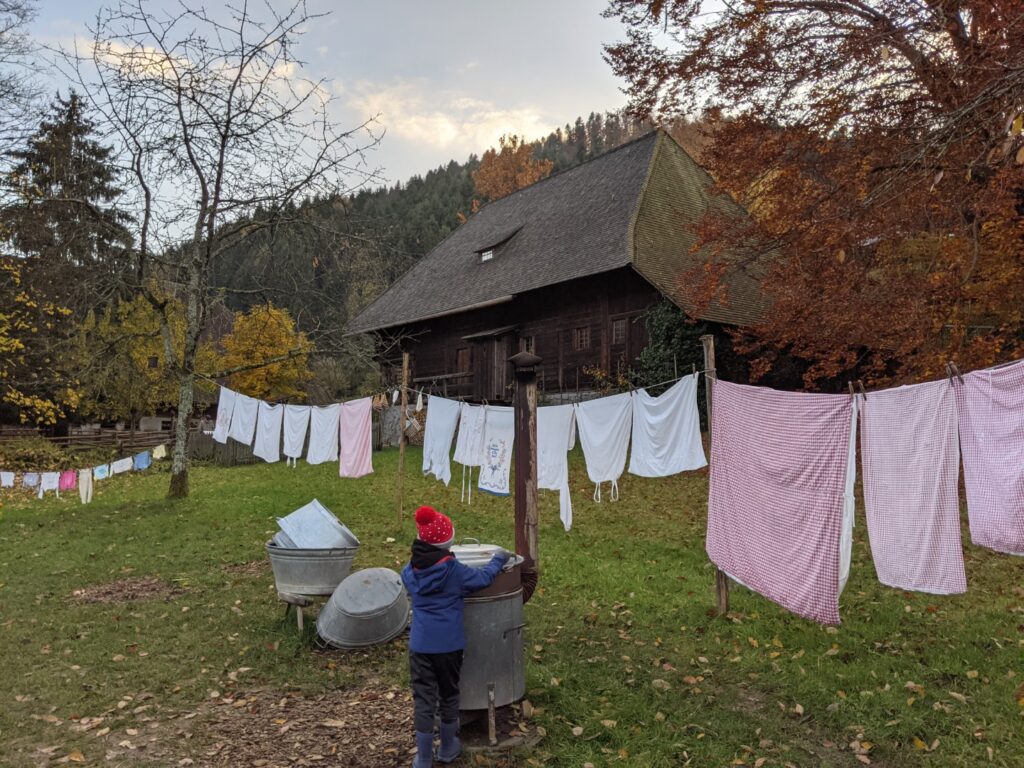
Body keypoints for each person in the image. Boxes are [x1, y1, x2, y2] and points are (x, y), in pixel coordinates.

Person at [401, 505, 510, 767]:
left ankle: (424, 757)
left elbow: (408, 583)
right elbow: (482, 579)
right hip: (449, 646)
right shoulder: (454, 571)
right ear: (447, 542)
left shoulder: (409, 571)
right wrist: (498, 560)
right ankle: (448, 747)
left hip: (420, 646)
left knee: (424, 699)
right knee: (449, 695)